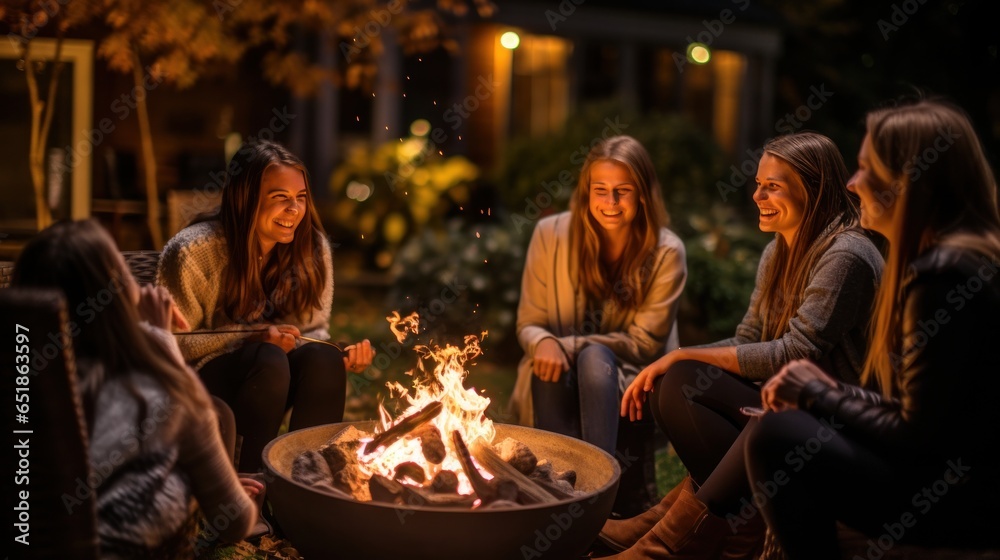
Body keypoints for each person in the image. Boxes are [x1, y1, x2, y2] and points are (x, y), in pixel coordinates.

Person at [602, 131, 884, 557]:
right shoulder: (778, 251)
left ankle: (668, 542)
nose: (757, 195)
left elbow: (795, 352)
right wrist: (677, 361)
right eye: (758, 183)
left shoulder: (845, 255)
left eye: (772, 185)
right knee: (677, 382)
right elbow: (750, 338)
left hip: (843, 421)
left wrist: (682, 352)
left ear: (814, 187)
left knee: (687, 373)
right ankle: (735, 524)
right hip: (792, 404)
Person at [747, 100, 1000, 558]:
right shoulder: (959, 259)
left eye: (866, 168)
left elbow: (918, 437)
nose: (851, 182)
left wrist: (818, 394)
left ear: (908, 181)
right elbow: (925, 414)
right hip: (958, 478)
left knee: (779, 437)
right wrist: (822, 388)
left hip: (967, 503)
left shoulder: (944, 276)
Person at [13, 220, 257, 558]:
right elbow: (235, 522)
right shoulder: (164, 392)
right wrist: (162, 342)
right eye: (126, 274)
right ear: (116, 296)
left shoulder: (23, 389)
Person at [157, 141, 374, 474]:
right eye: (279, 198)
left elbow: (311, 330)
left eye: (300, 198)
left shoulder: (311, 248)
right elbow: (168, 343)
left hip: (271, 376)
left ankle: (308, 486)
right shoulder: (194, 250)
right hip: (198, 384)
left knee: (324, 358)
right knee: (269, 359)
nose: (294, 210)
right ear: (246, 198)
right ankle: (248, 491)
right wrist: (248, 341)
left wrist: (337, 351)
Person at [511, 135, 687, 457]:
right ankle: (559, 477)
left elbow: (644, 344)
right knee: (551, 361)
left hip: (630, 374)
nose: (611, 202)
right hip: (555, 371)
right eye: (600, 190)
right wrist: (544, 342)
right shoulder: (549, 235)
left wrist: (566, 344)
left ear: (644, 195)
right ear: (587, 192)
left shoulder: (666, 252)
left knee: (593, 359)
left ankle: (598, 480)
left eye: (624, 191)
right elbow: (529, 322)